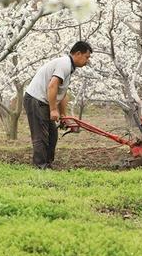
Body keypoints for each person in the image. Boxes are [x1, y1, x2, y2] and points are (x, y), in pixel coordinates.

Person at [23, 41, 92, 169]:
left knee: (52, 134)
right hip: (36, 99)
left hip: (43, 101)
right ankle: (40, 167)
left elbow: (62, 93)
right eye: (86, 57)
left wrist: (63, 115)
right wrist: (53, 110)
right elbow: (52, 85)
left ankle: (47, 164)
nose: (87, 61)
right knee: (41, 135)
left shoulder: (69, 67)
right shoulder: (64, 64)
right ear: (78, 53)